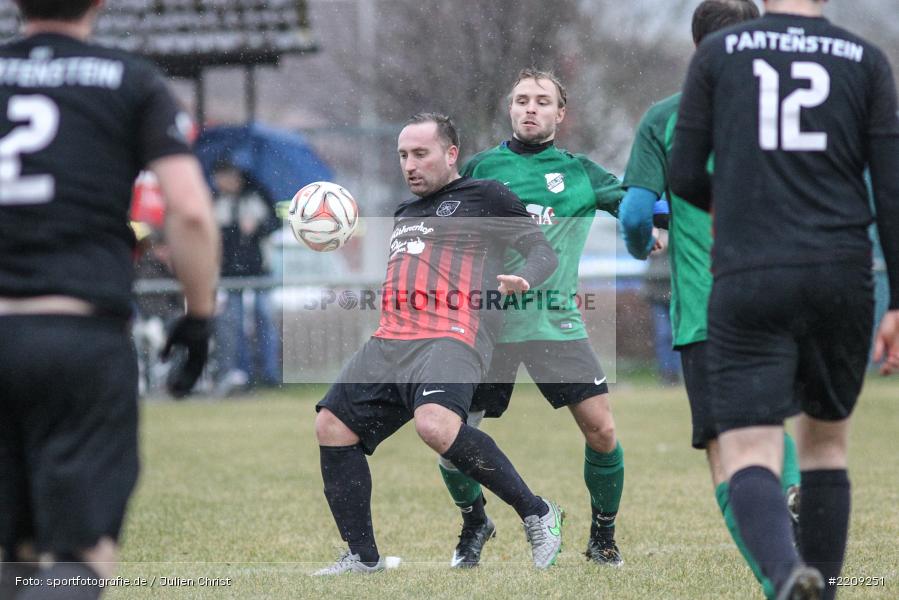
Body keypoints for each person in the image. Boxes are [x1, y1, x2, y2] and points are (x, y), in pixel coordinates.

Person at [669, 0, 899, 598]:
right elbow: (893, 188)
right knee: (825, 446)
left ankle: (783, 572)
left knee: (749, 446)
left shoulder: (719, 53)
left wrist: (739, 200)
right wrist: (898, 301)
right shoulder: (867, 60)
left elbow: (685, 171)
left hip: (753, 272)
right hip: (841, 273)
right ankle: (819, 588)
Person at [0, 2, 220, 599]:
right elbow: (192, 212)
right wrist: (199, 318)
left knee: (14, 557)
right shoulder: (131, 79)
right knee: (80, 561)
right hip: (78, 335)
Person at [313, 113, 564, 575]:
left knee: (434, 425)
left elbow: (543, 251)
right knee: (332, 426)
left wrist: (523, 279)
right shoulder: (405, 211)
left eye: (420, 154)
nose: (410, 165)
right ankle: (362, 558)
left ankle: (537, 511)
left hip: (452, 334)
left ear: (451, 155)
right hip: (392, 338)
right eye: (403, 156)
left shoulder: (484, 195)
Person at [620, 2, 804, 598]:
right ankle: (796, 488)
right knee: (772, 427)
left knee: (729, 454)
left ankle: (781, 578)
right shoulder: (789, 108)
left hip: (708, 312)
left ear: (697, 45)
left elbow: (632, 211)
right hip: (785, 299)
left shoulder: (668, 117)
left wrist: (641, 238)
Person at [436, 69, 628, 568]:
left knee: (602, 431)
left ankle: (603, 537)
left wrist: (655, 224)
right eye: (522, 99)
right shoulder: (481, 167)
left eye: (543, 101)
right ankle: (475, 521)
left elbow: (632, 204)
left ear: (560, 114)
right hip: (488, 326)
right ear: (510, 108)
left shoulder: (582, 172)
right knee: (448, 437)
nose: (531, 108)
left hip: (555, 323)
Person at [212, 162, 280, 392]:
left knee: (265, 320)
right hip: (230, 273)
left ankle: (270, 375)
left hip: (259, 270)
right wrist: (231, 230)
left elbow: (275, 223)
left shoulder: (257, 195)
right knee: (235, 325)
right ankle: (243, 375)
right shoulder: (216, 201)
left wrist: (257, 227)